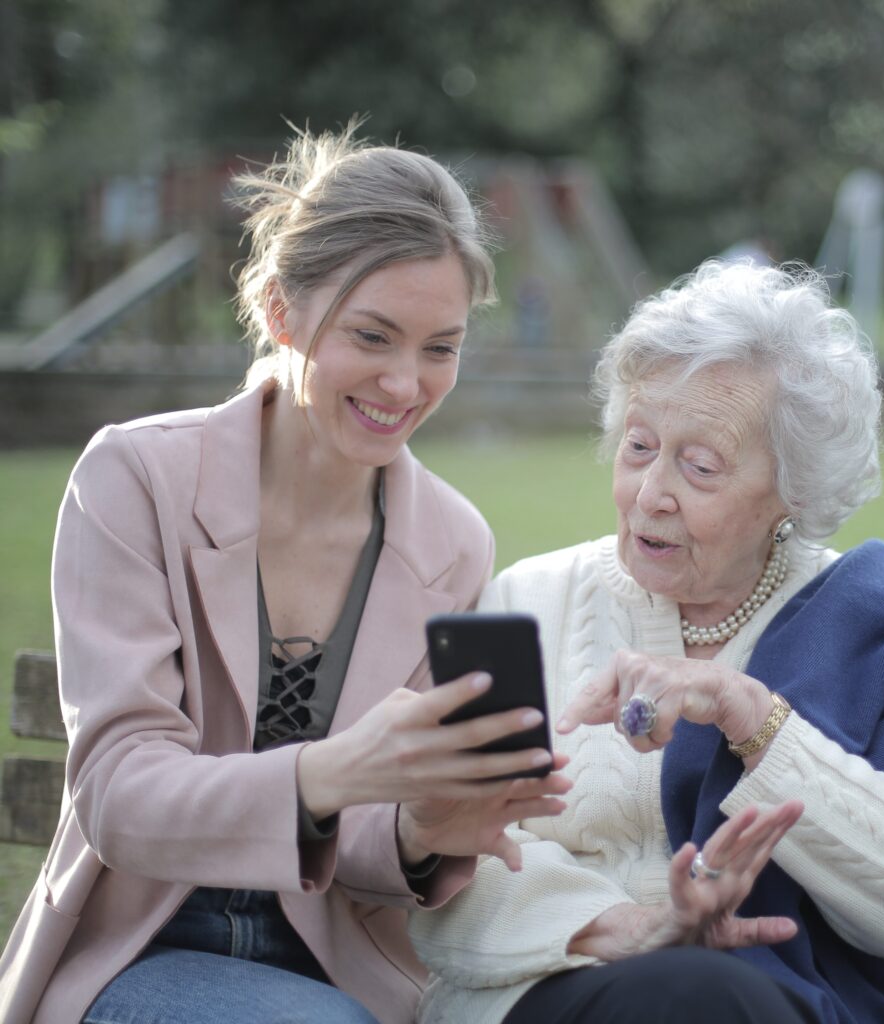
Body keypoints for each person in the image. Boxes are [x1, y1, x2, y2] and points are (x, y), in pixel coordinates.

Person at [0, 125, 574, 1024]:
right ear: (280, 311)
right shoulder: (135, 478)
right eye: (373, 335)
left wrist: (422, 829)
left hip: (343, 973)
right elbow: (118, 794)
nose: (404, 384)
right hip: (138, 952)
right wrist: (329, 771)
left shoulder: (454, 541)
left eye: (440, 347)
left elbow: (369, 845)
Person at [408, 260, 884, 1024]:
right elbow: (447, 853)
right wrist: (625, 928)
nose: (650, 493)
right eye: (638, 446)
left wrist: (751, 716)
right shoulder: (527, 601)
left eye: (699, 466)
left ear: (794, 490)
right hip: (547, 991)